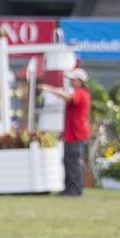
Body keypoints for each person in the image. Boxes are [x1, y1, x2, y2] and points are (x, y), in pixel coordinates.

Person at [40, 68, 91, 197]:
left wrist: (49, 89)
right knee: (68, 161)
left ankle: (75, 189)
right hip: (71, 134)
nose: (72, 82)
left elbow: (68, 97)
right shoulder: (80, 92)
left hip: (76, 134)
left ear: (80, 81)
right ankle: (69, 188)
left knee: (73, 161)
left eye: (73, 79)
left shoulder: (81, 93)